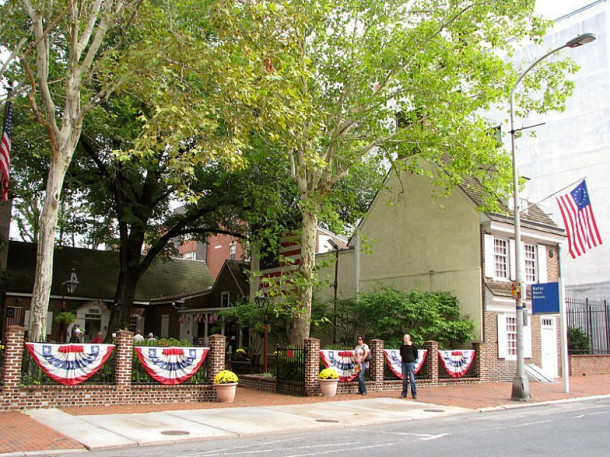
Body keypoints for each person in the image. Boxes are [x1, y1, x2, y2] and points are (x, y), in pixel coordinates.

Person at [400, 333, 418, 399]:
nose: (404, 339)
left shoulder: (413, 346)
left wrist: (412, 359)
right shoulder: (402, 346)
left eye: (405, 338)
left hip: (411, 363)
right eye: (404, 338)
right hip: (404, 363)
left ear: (409, 338)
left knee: (412, 379)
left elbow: (416, 354)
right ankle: (404, 393)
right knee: (404, 379)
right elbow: (401, 353)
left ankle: (414, 393)